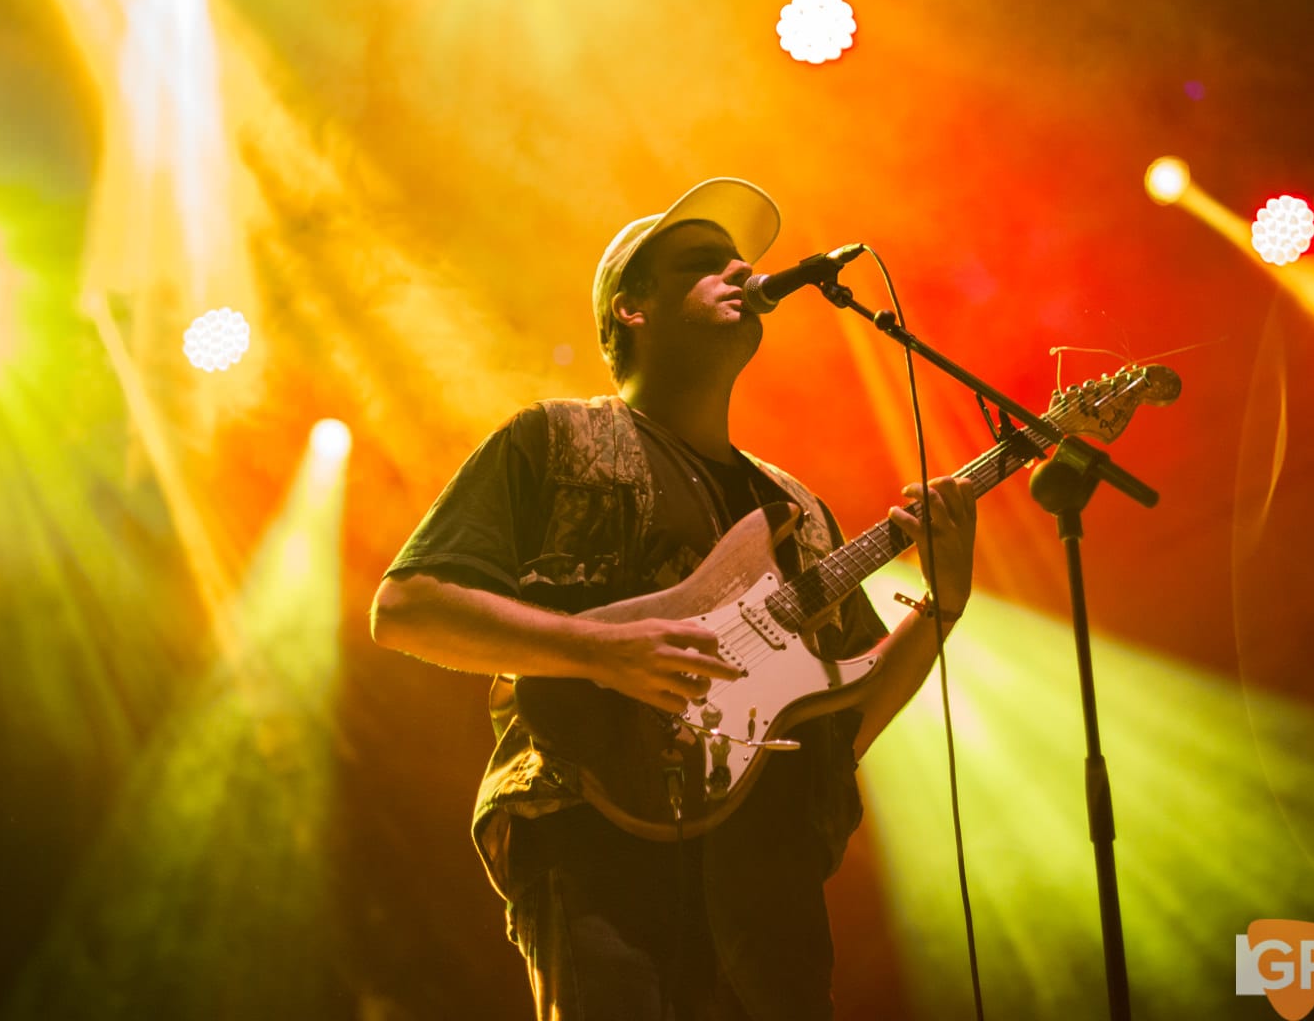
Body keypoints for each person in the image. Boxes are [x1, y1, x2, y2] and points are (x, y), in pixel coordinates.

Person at [369, 177, 978, 1020]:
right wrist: (598, 653)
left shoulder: (794, 507)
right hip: (596, 846)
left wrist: (942, 607)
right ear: (632, 309)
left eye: (742, 261)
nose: (739, 272)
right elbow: (406, 607)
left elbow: (846, 724)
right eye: (703, 263)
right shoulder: (553, 440)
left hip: (771, 878)